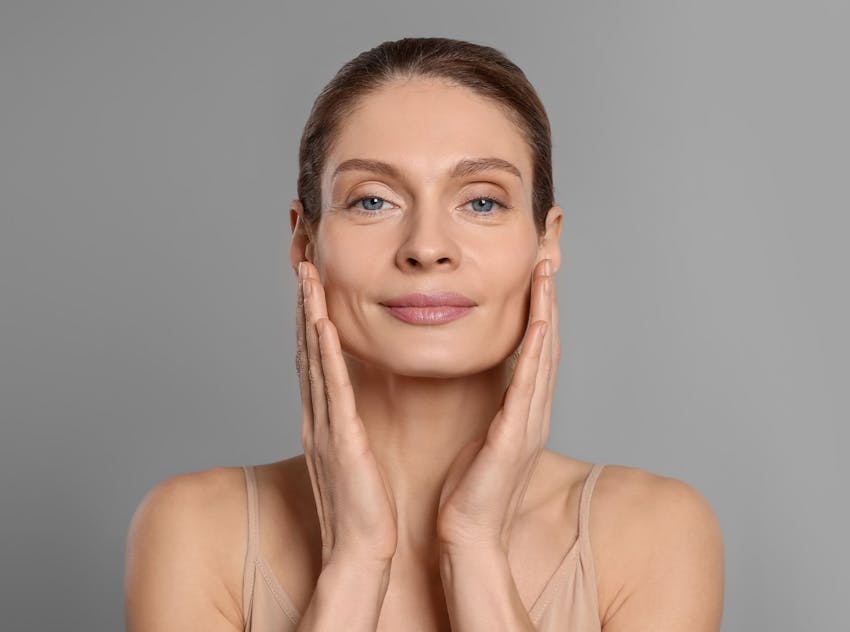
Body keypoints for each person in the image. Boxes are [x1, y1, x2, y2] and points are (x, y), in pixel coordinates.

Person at [124, 37, 724, 631]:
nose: (427, 248)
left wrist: (475, 547)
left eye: (483, 203)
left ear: (547, 240)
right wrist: (355, 561)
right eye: (374, 201)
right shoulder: (194, 528)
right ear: (306, 240)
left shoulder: (654, 532)